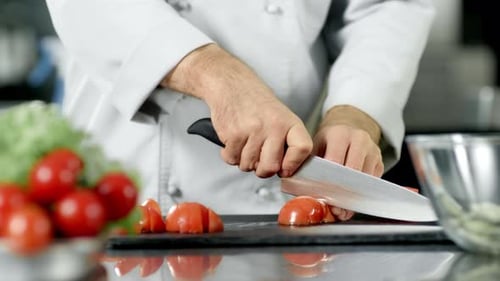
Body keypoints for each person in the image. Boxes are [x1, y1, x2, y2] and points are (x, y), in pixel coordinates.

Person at [44, 0, 434, 215]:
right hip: (129, 184)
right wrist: (215, 75)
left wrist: (357, 109)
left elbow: (386, 6)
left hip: (282, 204)